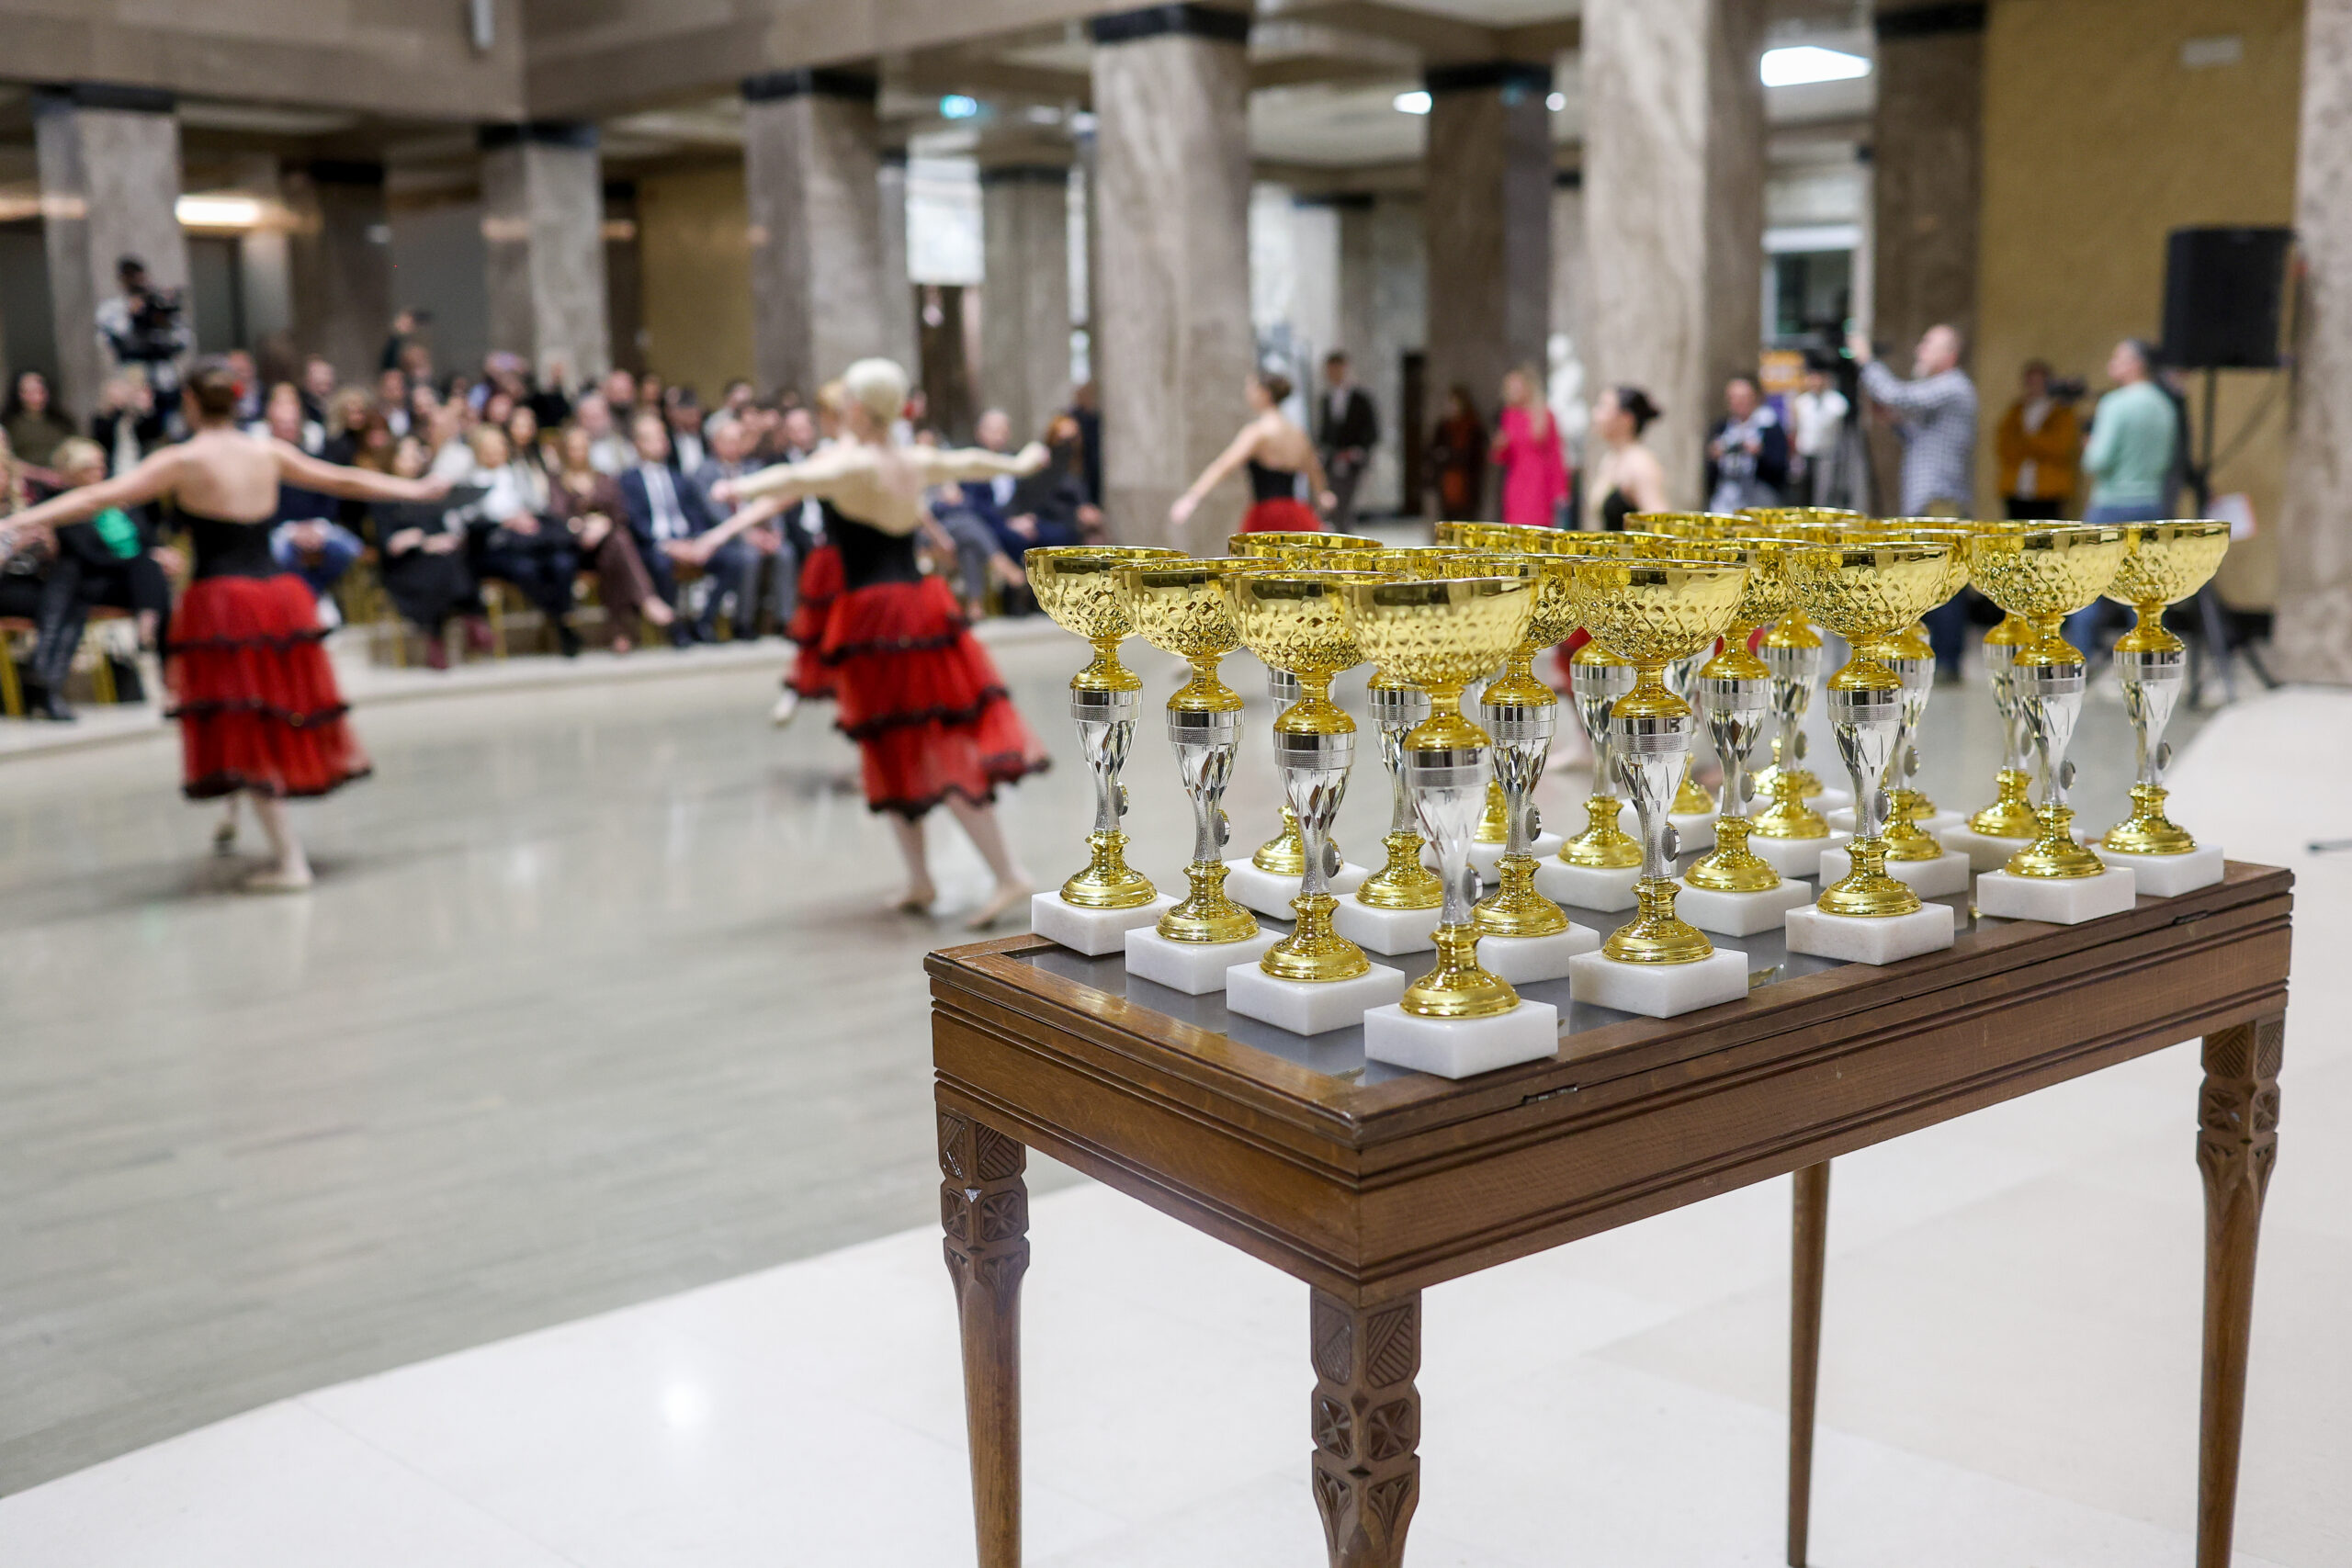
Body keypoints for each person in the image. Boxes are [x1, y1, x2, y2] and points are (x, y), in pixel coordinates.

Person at [0, 355, 446, 886]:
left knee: (243, 716)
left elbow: (99, 496)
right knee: (260, 707)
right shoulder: (267, 452)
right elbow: (345, 479)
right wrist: (415, 490)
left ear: (190, 402)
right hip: (278, 597)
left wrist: (19, 521)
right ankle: (237, 821)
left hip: (224, 603)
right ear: (237, 400)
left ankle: (290, 861)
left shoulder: (183, 460)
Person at [693, 358, 1051, 925]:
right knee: (891, 743)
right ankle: (920, 879)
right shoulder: (911, 459)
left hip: (880, 619)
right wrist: (1020, 460)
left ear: (857, 408)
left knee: (929, 741)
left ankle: (1008, 874)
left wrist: (736, 484)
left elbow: (793, 481)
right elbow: (972, 463)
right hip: (918, 606)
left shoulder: (854, 464)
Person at [1850, 322, 1980, 678]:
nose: (1919, 349)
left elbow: (1899, 396)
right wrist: (1893, 422)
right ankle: (1940, 658)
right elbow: (1923, 438)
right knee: (1934, 577)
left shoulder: (1952, 386)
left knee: (1944, 580)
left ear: (1949, 355)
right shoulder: (1949, 391)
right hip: (1934, 497)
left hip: (1940, 500)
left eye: (1928, 343)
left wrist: (1866, 361)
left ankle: (1948, 662)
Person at [2065, 338, 2181, 655]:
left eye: (2117, 358)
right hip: (2151, 502)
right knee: (2145, 590)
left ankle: (2081, 658)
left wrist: (2087, 442)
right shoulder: (2165, 405)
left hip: (2111, 502)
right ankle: (2145, 656)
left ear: (2135, 364)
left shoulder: (2115, 404)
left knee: (2087, 586)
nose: (2111, 364)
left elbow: (2097, 461)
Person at [618, 412, 754, 645]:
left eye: (662, 437)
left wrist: (697, 541)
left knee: (735, 559)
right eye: (652, 438)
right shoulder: (627, 480)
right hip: (655, 546)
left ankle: (704, 621)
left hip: (689, 541)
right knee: (660, 564)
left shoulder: (679, 476)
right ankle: (675, 627)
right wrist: (668, 546)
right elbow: (635, 521)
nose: (661, 442)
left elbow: (696, 515)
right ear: (638, 443)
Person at [547, 423, 675, 653]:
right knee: (619, 545)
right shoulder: (556, 481)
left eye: (583, 447)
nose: (579, 452)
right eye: (574, 448)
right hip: (575, 549)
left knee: (615, 546)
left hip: (606, 546)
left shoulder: (602, 477)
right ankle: (645, 600)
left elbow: (619, 513)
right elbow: (556, 518)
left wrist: (604, 525)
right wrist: (583, 528)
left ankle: (619, 631)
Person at [460, 423, 582, 658]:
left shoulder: (518, 472)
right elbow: (468, 523)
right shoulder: (471, 482)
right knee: (526, 569)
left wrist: (527, 518)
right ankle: (563, 619)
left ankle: (560, 618)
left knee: (563, 562)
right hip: (496, 547)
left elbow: (539, 506)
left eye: (499, 446)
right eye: (489, 447)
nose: (496, 451)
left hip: (532, 541)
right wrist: (505, 521)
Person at [49, 436, 177, 656]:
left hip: (137, 578)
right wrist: (142, 559)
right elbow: (89, 557)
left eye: (101, 466)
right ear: (72, 472)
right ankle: (155, 646)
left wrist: (162, 554)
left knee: (152, 570)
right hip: (95, 580)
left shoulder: (119, 500)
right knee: (150, 572)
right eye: (90, 468)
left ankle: (149, 635)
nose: (99, 472)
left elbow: (147, 538)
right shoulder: (64, 508)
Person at [372, 434, 492, 669]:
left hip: (435, 561)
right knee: (439, 568)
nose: (413, 461)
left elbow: (442, 528)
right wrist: (423, 542)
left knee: (449, 560)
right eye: (406, 455)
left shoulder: (427, 491)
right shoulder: (382, 494)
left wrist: (440, 540)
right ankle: (470, 616)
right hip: (405, 565)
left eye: (415, 455)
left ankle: (438, 636)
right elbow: (389, 542)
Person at [1168, 370, 1333, 534]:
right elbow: (1315, 471)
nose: (1247, 392)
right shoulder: (1298, 434)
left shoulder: (1257, 432)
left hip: (1267, 515)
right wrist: (1322, 496)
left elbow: (1224, 465)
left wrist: (1192, 497)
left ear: (1265, 393)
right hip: (1298, 513)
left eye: (1252, 387)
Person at [0, 428, 91, 721]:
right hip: (4, 586)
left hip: (30, 583)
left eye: (3, 471)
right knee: (71, 601)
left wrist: (47, 546)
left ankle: (44, 677)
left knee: (72, 582)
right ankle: (46, 686)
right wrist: (15, 545)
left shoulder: (24, 506)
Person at [96, 255, 195, 408]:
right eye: (130, 277)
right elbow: (111, 341)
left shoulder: (157, 304)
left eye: (138, 277)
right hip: (133, 374)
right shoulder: (111, 309)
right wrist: (131, 316)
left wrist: (163, 321)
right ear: (122, 279)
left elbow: (183, 339)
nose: (136, 282)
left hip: (165, 377)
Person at [1994, 360, 2082, 522]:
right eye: (2030, 382)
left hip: (2049, 490)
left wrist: (2029, 442)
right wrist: (2033, 444)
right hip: (2016, 488)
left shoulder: (2061, 412)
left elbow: (2061, 447)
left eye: (2039, 382)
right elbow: (2004, 445)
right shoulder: (2016, 411)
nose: (2034, 386)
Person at [1490, 365, 1570, 526]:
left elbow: (1556, 455)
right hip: (1517, 482)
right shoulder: (1509, 416)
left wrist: (1561, 490)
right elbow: (1501, 458)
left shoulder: (1544, 415)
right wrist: (1500, 446)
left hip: (1540, 483)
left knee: (1539, 526)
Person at [1587, 386, 1668, 531]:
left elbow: (1659, 523)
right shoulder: (1610, 458)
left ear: (1626, 419)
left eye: (1603, 407)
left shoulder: (1640, 463)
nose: (1595, 414)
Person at [1704, 374, 1789, 513]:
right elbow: (1710, 474)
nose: (1737, 403)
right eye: (1733, 398)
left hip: (1758, 501)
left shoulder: (1769, 426)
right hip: (1725, 502)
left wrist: (1760, 453)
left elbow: (1780, 467)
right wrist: (1714, 457)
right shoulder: (1722, 427)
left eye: (1743, 398)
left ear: (1755, 398)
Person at [1316, 351, 1379, 530]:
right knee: (1331, 502)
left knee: (1345, 503)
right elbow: (1325, 432)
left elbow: (1372, 431)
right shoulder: (1326, 399)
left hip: (1352, 459)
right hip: (1331, 459)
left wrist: (1357, 451)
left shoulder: (1361, 399)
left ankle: (1344, 537)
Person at [1789, 363, 1850, 506]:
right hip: (1805, 455)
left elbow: (1831, 421)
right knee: (1803, 496)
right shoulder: (1802, 401)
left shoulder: (1836, 402)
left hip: (1826, 455)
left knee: (1824, 496)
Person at [1429, 385, 1486, 518]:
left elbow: (1475, 458)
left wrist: (1453, 456)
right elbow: (1433, 452)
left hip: (1466, 484)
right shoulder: (1443, 427)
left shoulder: (1472, 427)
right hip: (1446, 483)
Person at [4, 371, 77, 469]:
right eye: (28, 392)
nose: (35, 397)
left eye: (40, 391)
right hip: (27, 477)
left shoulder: (62, 421)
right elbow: (7, 458)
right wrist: (41, 475)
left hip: (64, 475)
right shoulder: (9, 423)